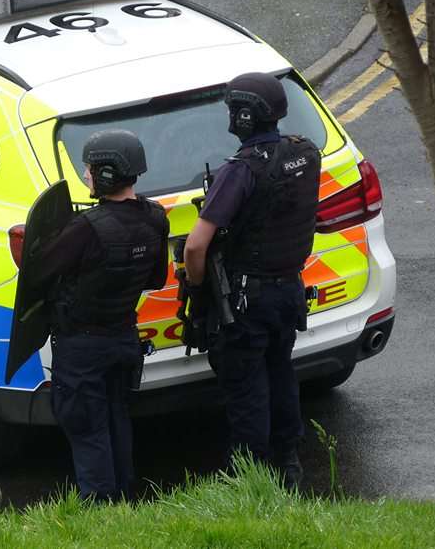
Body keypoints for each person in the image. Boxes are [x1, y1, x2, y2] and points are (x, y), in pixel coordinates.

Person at [183, 72, 321, 489]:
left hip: (245, 300)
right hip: (287, 292)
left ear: (244, 115)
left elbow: (195, 247)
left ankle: (251, 476)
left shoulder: (239, 172)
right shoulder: (305, 153)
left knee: (246, 389)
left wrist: (195, 289)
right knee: (281, 374)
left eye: (232, 109)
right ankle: (289, 463)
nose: (229, 115)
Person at [30, 129, 169, 502]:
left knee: (87, 427)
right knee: (116, 422)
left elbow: (39, 271)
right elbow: (157, 278)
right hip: (123, 339)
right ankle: (124, 502)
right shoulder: (156, 217)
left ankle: (101, 511)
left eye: (91, 169)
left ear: (107, 173)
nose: (87, 175)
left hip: (82, 348)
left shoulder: (86, 228)